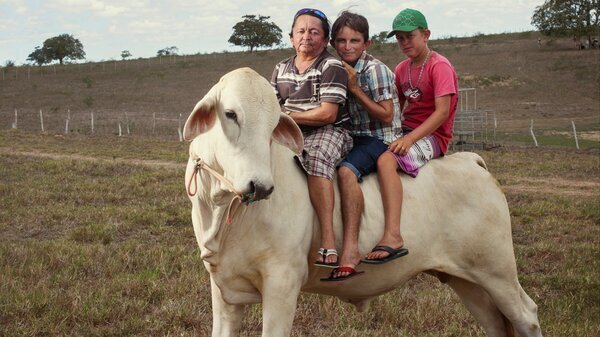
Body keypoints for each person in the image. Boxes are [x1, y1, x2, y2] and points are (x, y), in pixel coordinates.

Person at [363, 8, 458, 263]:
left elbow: (441, 113)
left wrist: (408, 139)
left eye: (410, 36)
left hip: (433, 136)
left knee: (386, 160)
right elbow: (397, 107)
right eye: (400, 38)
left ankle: (393, 234)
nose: (405, 43)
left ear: (425, 35)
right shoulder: (402, 68)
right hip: (406, 130)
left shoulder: (440, 67)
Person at [321, 11, 403, 281]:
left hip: (379, 135)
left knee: (345, 172)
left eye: (355, 41)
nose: (348, 47)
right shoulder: (333, 66)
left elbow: (387, 115)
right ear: (333, 42)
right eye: (342, 41)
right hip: (352, 133)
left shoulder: (375, 69)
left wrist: (355, 88)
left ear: (366, 43)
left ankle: (351, 250)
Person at [271, 8, 351, 269]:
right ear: (291, 37)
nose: (307, 36)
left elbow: (327, 113)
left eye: (314, 32)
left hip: (330, 131)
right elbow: (272, 107)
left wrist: (287, 116)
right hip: (292, 128)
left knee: (315, 157)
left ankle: (327, 239)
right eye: (301, 31)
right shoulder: (281, 68)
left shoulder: (331, 66)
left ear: (325, 40)